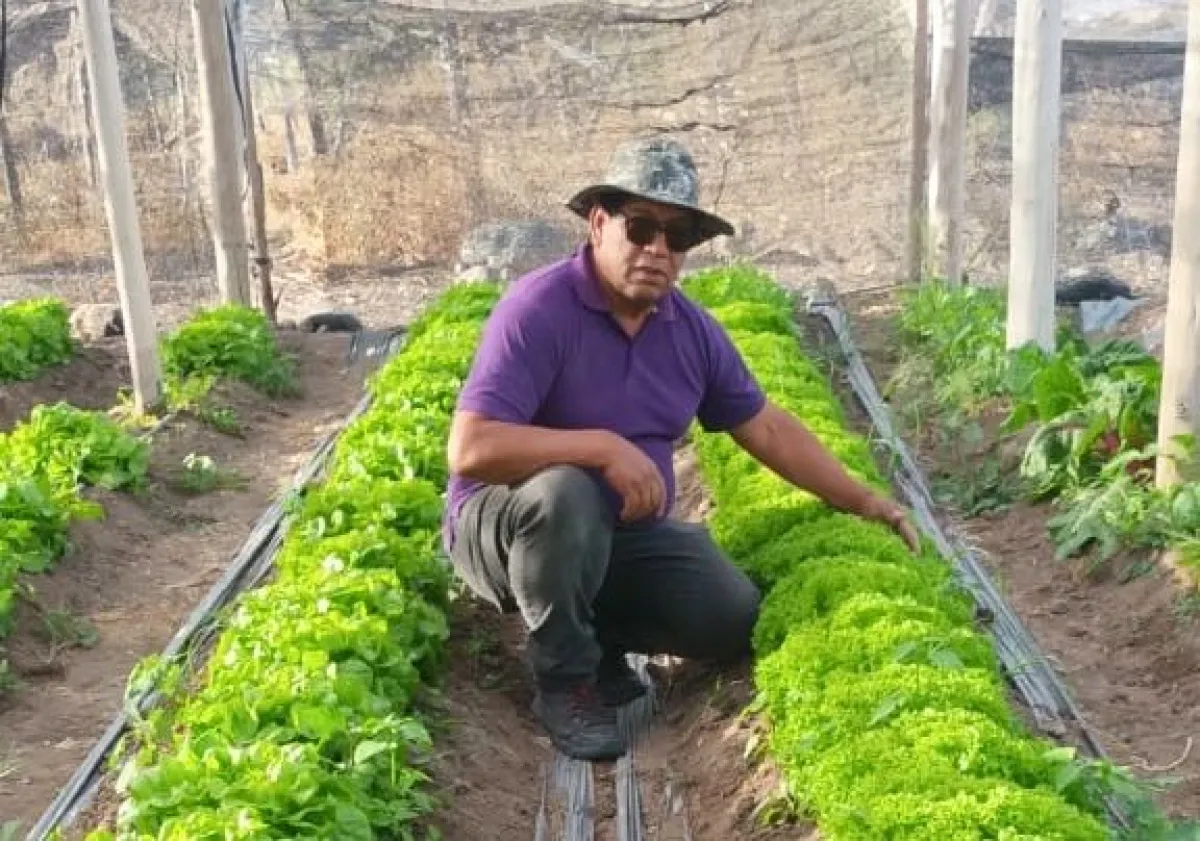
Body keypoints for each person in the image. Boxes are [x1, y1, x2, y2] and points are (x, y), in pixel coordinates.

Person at [442, 136, 919, 762]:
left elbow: (766, 428)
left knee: (727, 614)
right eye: (641, 228)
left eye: (679, 237)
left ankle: (599, 638)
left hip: (614, 539)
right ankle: (565, 682)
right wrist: (600, 448)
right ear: (598, 224)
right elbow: (471, 448)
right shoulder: (538, 309)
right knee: (569, 492)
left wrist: (865, 501)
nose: (657, 250)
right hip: (505, 531)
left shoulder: (688, 330)